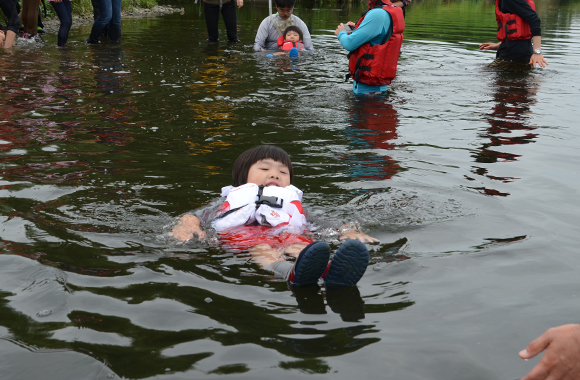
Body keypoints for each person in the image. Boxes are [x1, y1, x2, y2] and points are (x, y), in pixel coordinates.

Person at [168, 145, 377, 289]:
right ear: (243, 176)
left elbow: (324, 221)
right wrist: (186, 226)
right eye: (265, 168)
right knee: (263, 249)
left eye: (283, 172)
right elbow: (198, 215)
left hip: (287, 232)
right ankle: (288, 272)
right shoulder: (233, 199)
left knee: (304, 248)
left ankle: (331, 274)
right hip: (245, 234)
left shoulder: (292, 203)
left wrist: (348, 230)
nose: (275, 174)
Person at [334, 0, 407, 94]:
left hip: (367, 94)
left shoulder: (378, 14)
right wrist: (357, 28)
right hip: (378, 90)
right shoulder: (389, 10)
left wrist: (341, 33)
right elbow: (378, 36)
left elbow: (349, 44)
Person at [478, 0, 547, 70]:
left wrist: (537, 52)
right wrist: (499, 45)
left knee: (483, 73)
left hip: (513, 55)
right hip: (518, 51)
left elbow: (534, 19)